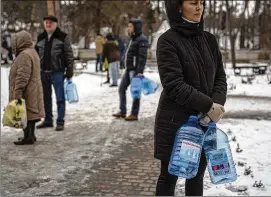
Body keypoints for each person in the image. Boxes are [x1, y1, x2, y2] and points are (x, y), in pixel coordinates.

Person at [154, 0, 227, 196]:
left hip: (204, 121)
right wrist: (208, 105)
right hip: (174, 121)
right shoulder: (167, 41)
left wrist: (217, 104)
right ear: (178, 7)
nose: (199, 7)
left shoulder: (210, 40)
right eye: (193, 3)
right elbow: (173, 84)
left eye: (202, 3)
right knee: (169, 176)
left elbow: (220, 76)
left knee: (196, 176)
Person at [35, 15, 74, 131]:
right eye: (46, 22)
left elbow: (69, 55)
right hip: (43, 72)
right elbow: (36, 55)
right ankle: (48, 120)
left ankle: (60, 121)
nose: (48, 24)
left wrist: (69, 70)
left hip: (57, 72)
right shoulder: (40, 37)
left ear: (55, 24)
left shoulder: (63, 37)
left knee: (60, 98)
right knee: (46, 98)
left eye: (50, 23)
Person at [9, 30, 45, 145]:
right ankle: (31, 135)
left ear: (20, 41)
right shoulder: (32, 52)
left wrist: (18, 91)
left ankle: (27, 137)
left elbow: (23, 76)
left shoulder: (24, 55)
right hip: (34, 89)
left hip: (27, 90)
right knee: (31, 113)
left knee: (25, 113)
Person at [112, 19, 148, 121]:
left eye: (130, 26)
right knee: (121, 89)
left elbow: (142, 57)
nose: (129, 28)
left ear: (136, 27)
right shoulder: (131, 38)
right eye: (128, 26)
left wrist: (140, 71)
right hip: (128, 69)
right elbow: (127, 53)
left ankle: (134, 114)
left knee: (135, 91)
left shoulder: (142, 39)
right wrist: (123, 62)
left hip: (135, 70)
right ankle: (123, 111)